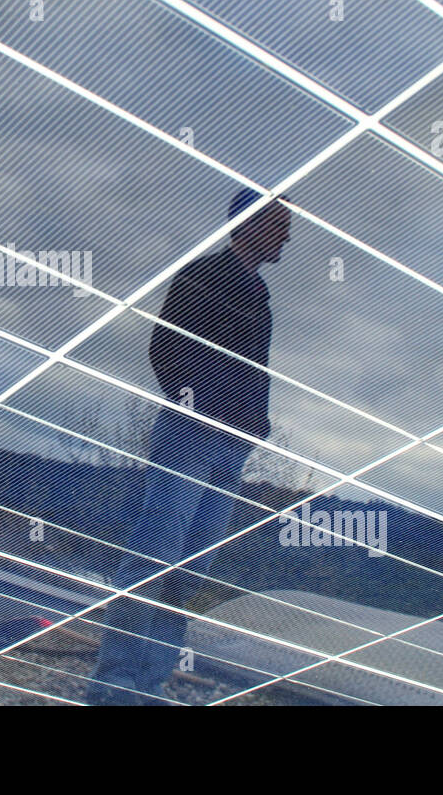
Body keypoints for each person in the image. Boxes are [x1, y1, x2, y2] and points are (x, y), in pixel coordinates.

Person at [87, 188, 291, 704]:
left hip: (232, 445)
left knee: (191, 566)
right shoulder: (204, 274)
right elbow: (165, 345)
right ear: (250, 224)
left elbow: (253, 366)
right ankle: (116, 685)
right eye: (280, 224)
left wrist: (255, 423)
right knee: (153, 555)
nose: (289, 235)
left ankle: (150, 683)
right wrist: (198, 406)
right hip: (191, 435)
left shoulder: (260, 293)